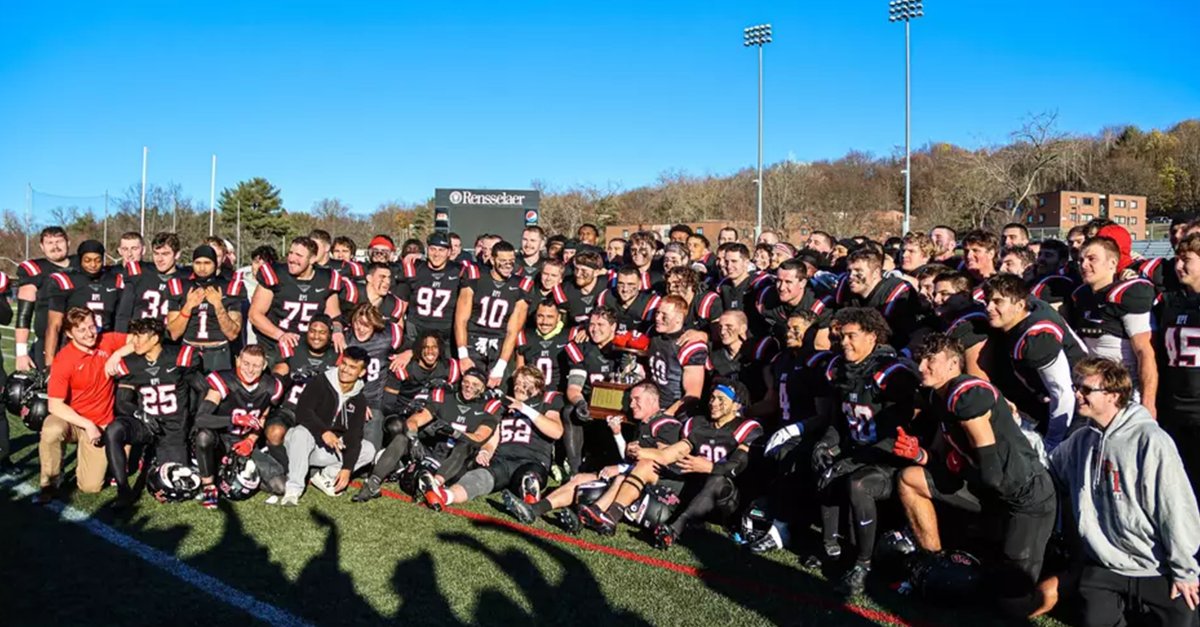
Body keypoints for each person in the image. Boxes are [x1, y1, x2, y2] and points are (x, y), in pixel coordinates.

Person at [897, 333, 1056, 617]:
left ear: (953, 364)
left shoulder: (966, 395)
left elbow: (992, 472)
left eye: (930, 360)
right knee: (910, 478)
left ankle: (1066, 582)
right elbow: (941, 457)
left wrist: (959, 468)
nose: (921, 367)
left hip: (1024, 497)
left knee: (1012, 604)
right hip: (988, 490)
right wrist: (919, 455)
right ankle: (934, 563)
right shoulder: (938, 396)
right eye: (920, 360)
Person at [1045, 357, 1200, 627]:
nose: (1077, 394)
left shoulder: (1151, 441)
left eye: (1086, 389)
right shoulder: (1082, 440)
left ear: (1113, 395)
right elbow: (1048, 468)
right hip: (1104, 565)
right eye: (1076, 387)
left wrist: (1184, 570)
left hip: (1155, 566)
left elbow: (1175, 508)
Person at [504, 382, 681, 529]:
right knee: (579, 479)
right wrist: (617, 434)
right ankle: (535, 509)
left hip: (657, 489)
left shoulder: (666, 424)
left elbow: (663, 460)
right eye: (631, 400)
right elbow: (629, 459)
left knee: (610, 482)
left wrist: (621, 469)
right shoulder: (643, 425)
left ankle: (592, 516)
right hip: (631, 477)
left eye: (637, 399)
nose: (632, 404)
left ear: (652, 400)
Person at [423, 366, 564, 510]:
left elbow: (556, 431)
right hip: (502, 461)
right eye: (517, 382)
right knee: (478, 478)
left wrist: (524, 408)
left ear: (538, 387)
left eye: (525, 383)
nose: (519, 386)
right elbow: (493, 438)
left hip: (532, 461)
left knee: (528, 478)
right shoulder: (504, 405)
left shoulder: (546, 401)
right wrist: (486, 451)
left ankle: (530, 500)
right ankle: (444, 496)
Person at [354, 368, 500, 502]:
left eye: (475, 384)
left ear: (483, 388)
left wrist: (454, 432)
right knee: (401, 438)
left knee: (464, 446)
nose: (469, 387)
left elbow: (479, 438)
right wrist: (413, 437)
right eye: (466, 382)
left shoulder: (488, 408)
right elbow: (414, 420)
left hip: (455, 462)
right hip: (432, 452)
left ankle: (434, 484)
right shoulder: (446, 398)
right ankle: (373, 483)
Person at [982, 273, 1085, 451]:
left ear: (1020, 305)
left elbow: (1062, 393)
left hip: (1077, 406)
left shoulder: (1037, 338)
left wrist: (1053, 442)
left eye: (998, 302)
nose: (989, 307)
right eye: (988, 301)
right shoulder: (1030, 309)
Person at [107, 318, 201, 507]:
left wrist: (195, 422)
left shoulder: (179, 357)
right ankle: (123, 490)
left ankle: (153, 456)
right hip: (146, 424)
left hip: (173, 428)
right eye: (134, 336)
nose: (134, 341)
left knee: (171, 486)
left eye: (139, 336)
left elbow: (202, 389)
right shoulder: (131, 363)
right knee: (113, 430)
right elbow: (122, 402)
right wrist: (140, 414)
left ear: (155, 338)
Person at [39, 307, 130, 501]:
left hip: (101, 420)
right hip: (73, 420)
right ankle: (50, 482)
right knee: (52, 429)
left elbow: (140, 340)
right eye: (81, 330)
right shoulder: (64, 359)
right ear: (69, 333)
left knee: (90, 486)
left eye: (92, 326)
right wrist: (87, 424)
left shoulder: (106, 341)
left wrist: (117, 354)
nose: (89, 333)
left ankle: (94, 459)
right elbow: (54, 405)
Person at [1064, 236, 1157, 415]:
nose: (1084, 265)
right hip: (1092, 388)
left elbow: (1144, 352)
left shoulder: (1127, 294)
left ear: (1112, 263)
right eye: (1081, 260)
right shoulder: (1080, 295)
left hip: (1124, 390)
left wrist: (1148, 401)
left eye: (1092, 259)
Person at [280, 347, 376, 505]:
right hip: (302, 444)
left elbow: (354, 435)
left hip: (325, 450)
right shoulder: (320, 382)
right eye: (344, 364)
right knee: (300, 432)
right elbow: (303, 412)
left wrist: (347, 468)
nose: (345, 370)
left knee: (368, 449)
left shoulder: (359, 399)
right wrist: (323, 431)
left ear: (362, 373)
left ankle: (324, 476)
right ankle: (293, 490)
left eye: (352, 367)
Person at [193, 346, 284, 509]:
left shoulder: (270, 387)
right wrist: (234, 420)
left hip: (243, 442)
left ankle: (230, 471)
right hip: (219, 439)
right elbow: (201, 419)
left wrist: (251, 440)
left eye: (256, 365)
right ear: (238, 361)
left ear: (264, 366)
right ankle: (208, 486)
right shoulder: (224, 381)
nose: (250, 370)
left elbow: (262, 418)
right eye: (246, 363)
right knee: (203, 437)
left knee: (279, 486)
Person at [249, 236, 345, 365]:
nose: (292, 259)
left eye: (299, 255)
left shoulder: (326, 278)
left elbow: (334, 316)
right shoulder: (275, 273)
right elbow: (255, 315)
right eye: (290, 253)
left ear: (312, 259)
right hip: (274, 345)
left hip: (309, 347)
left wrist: (337, 332)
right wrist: (280, 335)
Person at [1155, 232, 1200, 494]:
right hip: (1174, 408)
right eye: (1177, 259)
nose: (1179, 266)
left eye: (1187, 260)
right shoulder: (1170, 302)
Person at [454, 240, 533, 386]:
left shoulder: (521, 285)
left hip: (500, 343)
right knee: (471, 387)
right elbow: (461, 320)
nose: (508, 265)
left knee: (498, 390)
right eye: (503, 261)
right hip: (473, 339)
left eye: (511, 261)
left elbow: (513, 331)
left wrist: (501, 366)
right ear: (492, 260)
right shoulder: (475, 277)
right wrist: (463, 355)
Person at [166, 245, 247, 372]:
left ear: (215, 264)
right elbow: (174, 334)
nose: (202, 268)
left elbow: (232, 334)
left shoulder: (230, 287)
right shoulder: (180, 286)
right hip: (189, 350)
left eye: (207, 263)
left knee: (217, 385)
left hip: (218, 351)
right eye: (198, 263)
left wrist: (218, 305)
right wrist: (188, 306)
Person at [43, 240, 123, 366]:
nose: (93, 264)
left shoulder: (115, 280)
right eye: (87, 260)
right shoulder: (66, 280)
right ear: (80, 259)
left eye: (97, 260)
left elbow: (121, 320)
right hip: (74, 346)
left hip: (104, 345)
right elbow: (54, 325)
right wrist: (49, 362)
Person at [343, 303, 404, 450]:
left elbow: (413, 346)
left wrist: (408, 353)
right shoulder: (345, 339)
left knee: (371, 439)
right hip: (347, 397)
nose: (360, 329)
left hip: (375, 400)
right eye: (357, 323)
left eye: (366, 325)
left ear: (375, 325)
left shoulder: (389, 336)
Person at [14, 226, 73, 371]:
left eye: (59, 241)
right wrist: (21, 353)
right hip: (48, 342)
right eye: (49, 243)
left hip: (81, 340)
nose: (55, 246)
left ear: (68, 243)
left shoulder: (82, 265)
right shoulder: (35, 269)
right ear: (42, 246)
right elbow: (24, 313)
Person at [645, 295, 708, 416]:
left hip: (674, 410)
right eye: (657, 313)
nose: (658, 318)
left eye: (664, 315)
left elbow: (693, 394)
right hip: (651, 404)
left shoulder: (689, 345)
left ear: (678, 318)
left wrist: (666, 415)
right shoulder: (653, 333)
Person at [114, 232, 183, 330]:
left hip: (168, 337)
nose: (160, 259)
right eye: (156, 254)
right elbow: (123, 314)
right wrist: (120, 336)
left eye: (165, 254)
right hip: (139, 335)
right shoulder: (137, 273)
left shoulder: (185, 279)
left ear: (177, 254)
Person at [515, 300, 572, 392]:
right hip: (532, 393)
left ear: (558, 317)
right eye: (540, 316)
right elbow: (520, 373)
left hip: (559, 394)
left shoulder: (571, 336)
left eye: (550, 317)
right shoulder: (525, 337)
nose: (544, 321)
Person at [596, 265, 661, 336]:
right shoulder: (606, 297)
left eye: (630, 284)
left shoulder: (650, 304)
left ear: (640, 285)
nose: (625, 289)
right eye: (621, 284)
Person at [340, 262, 406, 326]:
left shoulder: (394, 304)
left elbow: (395, 330)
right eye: (382, 277)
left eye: (389, 278)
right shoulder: (351, 292)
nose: (388, 281)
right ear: (369, 278)